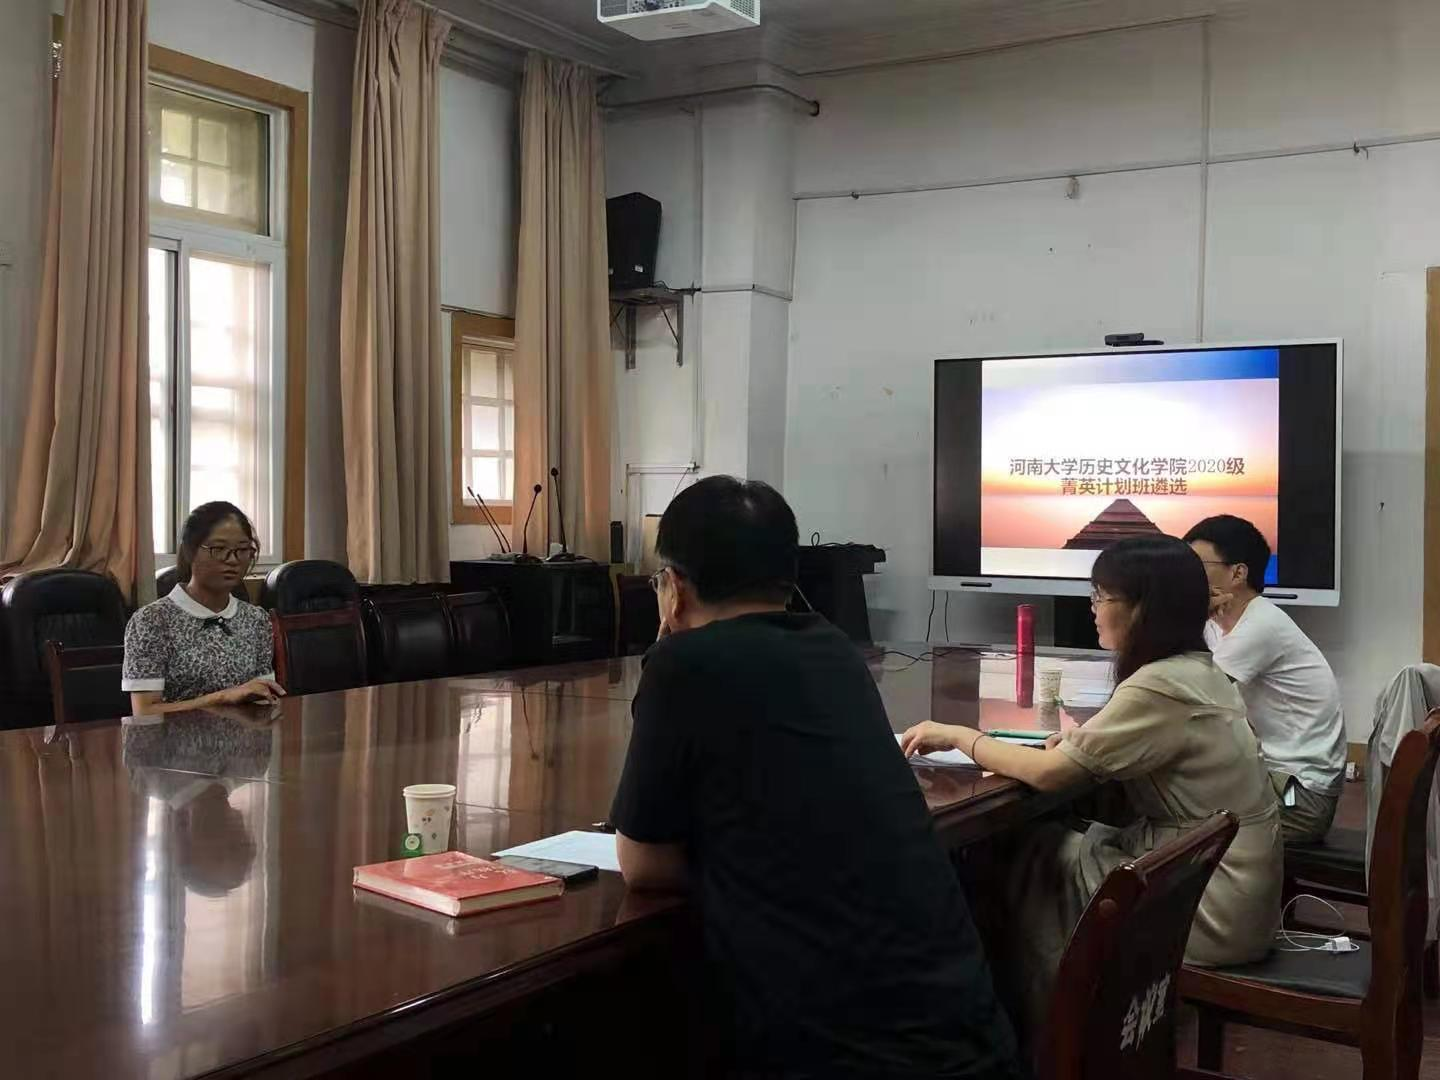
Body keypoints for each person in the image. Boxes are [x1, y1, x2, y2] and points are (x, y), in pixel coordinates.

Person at [610, 476, 1024, 1080]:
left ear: (673, 588)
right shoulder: (835, 651)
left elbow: (643, 864)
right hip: (974, 1045)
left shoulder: (683, 664)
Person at [901, 536, 1282, 1035]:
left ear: (1143, 608)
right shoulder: (1195, 670)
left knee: (1022, 856)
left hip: (1208, 906)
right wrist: (1082, 745)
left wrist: (960, 737)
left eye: (1102, 597)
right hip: (1227, 885)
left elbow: (1049, 773)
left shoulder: (1158, 684)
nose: (1093, 609)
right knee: (1050, 837)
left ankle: (1036, 1032)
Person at [1183, 514, 1347, 842]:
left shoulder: (1261, 625)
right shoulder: (1218, 623)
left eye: (1198, 565)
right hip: (1267, 776)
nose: (1186, 575)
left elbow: (1190, 695)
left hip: (1300, 798)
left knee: (1172, 818)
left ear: (1237, 573)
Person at [123, 502, 285, 716]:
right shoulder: (151, 621)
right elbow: (144, 712)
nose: (233, 560)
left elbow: (264, 698)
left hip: (245, 735)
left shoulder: (256, 619)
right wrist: (221, 698)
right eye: (219, 549)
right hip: (174, 737)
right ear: (190, 551)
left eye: (242, 550)